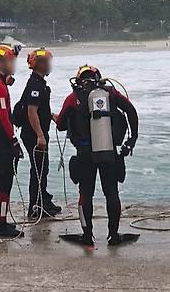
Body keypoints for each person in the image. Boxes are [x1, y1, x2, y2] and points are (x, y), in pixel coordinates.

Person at [56, 65, 138, 246]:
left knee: (86, 195)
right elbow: (131, 112)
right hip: (109, 152)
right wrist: (131, 141)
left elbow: (61, 125)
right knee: (112, 193)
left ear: (79, 81)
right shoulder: (111, 94)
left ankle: (87, 236)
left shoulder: (72, 98)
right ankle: (113, 236)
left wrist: (58, 117)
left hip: (85, 154)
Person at [0, 44, 25, 238]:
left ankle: (2, 221)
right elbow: (3, 118)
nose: (12, 63)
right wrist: (14, 142)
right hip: (0, 140)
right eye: (9, 61)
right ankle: (0, 224)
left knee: (5, 182)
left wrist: (15, 51)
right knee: (4, 183)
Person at [18, 48, 61, 218]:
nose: (49, 65)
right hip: (33, 135)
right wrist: (40, 135)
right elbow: (31, 112)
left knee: (43, 169)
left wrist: (50, 116)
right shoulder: (35, 85)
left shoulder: (39, 83)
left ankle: (44, 200)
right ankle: (35, 207)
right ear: (40, 64)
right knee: (38, 170)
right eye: (47, 62)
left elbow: (39, 110)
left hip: (37, 133)